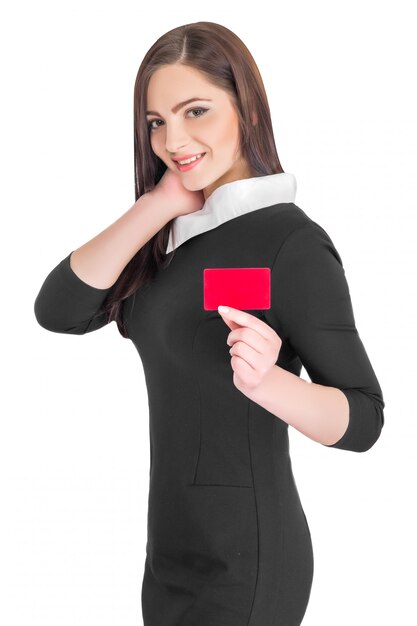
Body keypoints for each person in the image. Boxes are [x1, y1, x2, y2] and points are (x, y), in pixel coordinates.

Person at [34, 21, 385, 626]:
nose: (174, 138)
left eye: (196, 111)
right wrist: (160, 204)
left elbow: (364, 420)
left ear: (244, 106)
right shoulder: (169, 242)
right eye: (156, 122)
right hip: (169, 547)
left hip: (244, 558)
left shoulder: (289, 243)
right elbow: (59, 311)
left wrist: (271, 384)